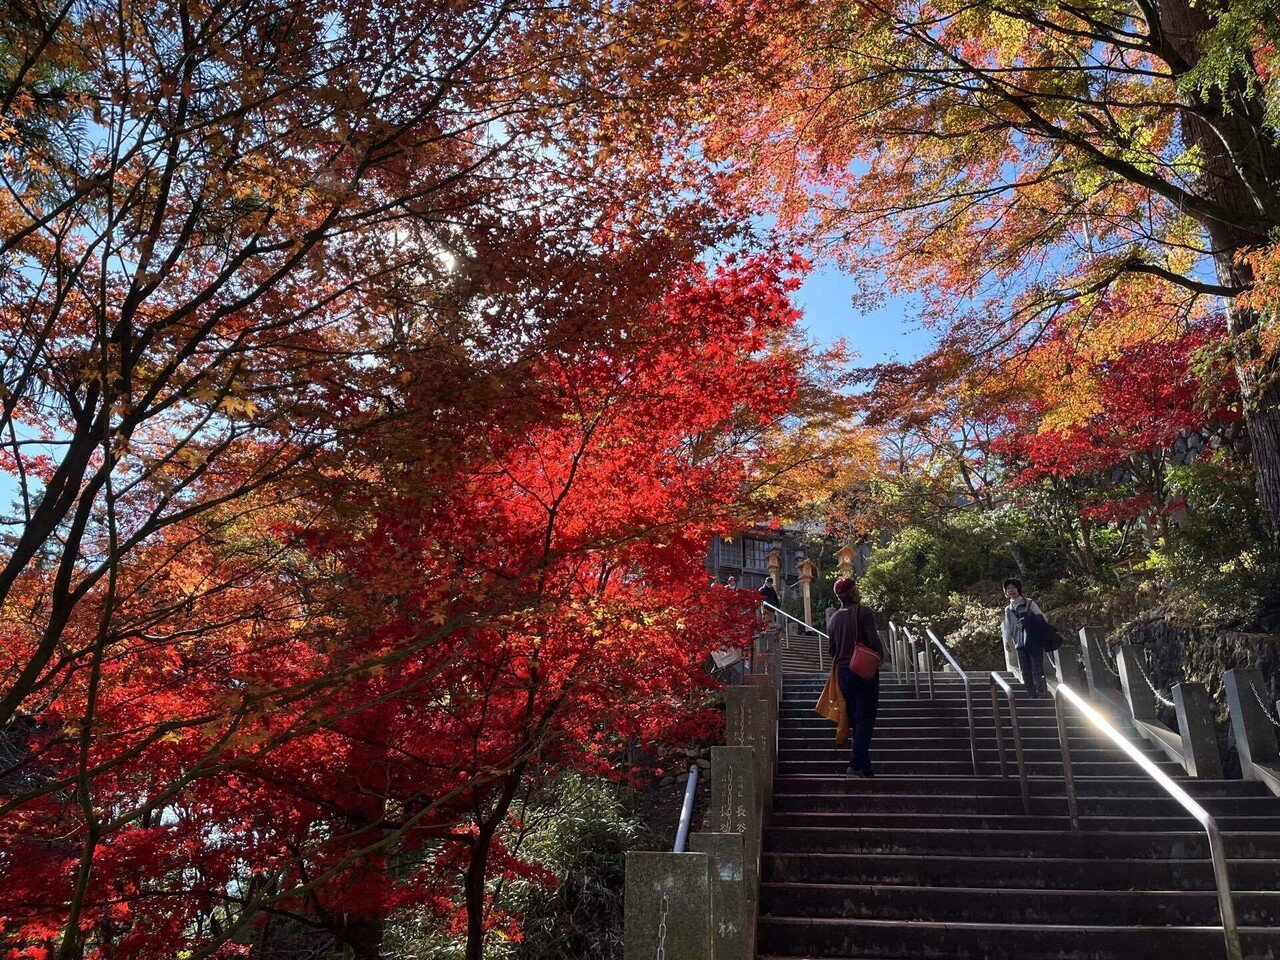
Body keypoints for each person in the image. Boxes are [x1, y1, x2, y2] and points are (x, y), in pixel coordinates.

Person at [827, 577, 883, 778]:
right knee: (865, 718)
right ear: (853, 593)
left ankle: (865, 767)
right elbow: (873, 639)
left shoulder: (833, 619)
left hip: (843, 672)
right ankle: (854, 764)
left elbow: (831, 650)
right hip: (863, 669)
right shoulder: (864, 612)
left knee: (855, 718)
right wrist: (880, 656)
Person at [1002, 577, 1046, 698]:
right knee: (1025, 672)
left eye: (1013, 587)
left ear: (1018, 589)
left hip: (1033, 642)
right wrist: (1007, 641)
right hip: (1020, 644)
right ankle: (1032, 695)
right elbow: (1007, 627)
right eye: (1008, 588)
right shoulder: (1008, 609)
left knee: (1037, 669)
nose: (1010, 590)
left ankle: (1042, 694)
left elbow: (1042, 619)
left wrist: (1026, 621)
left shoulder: (1029, 603)